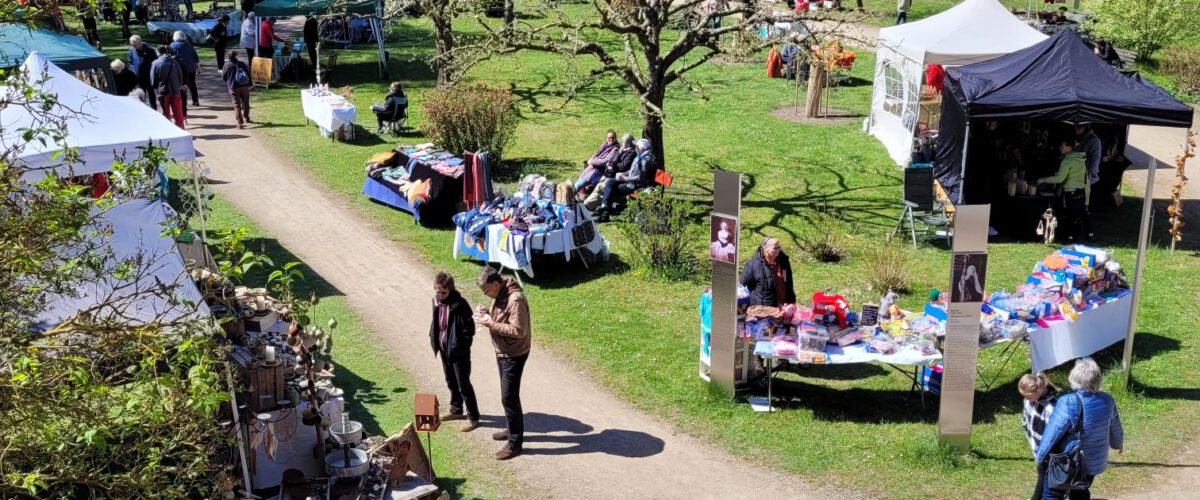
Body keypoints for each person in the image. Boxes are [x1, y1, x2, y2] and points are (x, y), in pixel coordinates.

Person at [1035, 358, 1123, 500]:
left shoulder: (1068, 401)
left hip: (1067, 463)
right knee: (1081, 491)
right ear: (1098, 379)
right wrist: (1118, 444)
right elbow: (1115, 426)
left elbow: (1053, 433)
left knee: (1052, 494)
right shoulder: (1107, 400)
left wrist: (1040, 457)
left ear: (1073, 378)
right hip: (1094, 461)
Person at [476, 267, 531, 461]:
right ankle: (511, 429)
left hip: (514, 354)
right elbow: (501, 314)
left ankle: (515, 443)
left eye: (486, 290)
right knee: (507, 396)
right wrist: (486, 313)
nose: (486, 294)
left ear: (496, 284)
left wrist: (491, 324)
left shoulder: (515, 299)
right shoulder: (501, 294)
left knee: (509, 397)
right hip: (504, 352)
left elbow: (518, 330)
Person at [429, 272, 480, 432]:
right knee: (450, 380)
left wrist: (461, 346)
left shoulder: (460, 304)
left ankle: (473, 417)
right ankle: (456, 409)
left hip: (458, 352)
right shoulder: (436, 301)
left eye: (443, 292)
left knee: (463, 384)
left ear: (450, 290)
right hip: (445, 350)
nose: (440, 295)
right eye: (437, 291)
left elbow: (469, 329)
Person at [1038, 140, 1091, 241]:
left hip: (1071, 191)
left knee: (1070, 214)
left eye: (1062, 146)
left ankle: (1069, 236)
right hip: (1082, 190)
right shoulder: (1080, 159)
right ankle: (1090, 234)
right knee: (1082, 213)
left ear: (1069, 148)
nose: (1060, 148)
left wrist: (1044, 179)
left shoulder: (1067, 161)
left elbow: (1060, 179)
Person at [1020, 373, 1060, 500]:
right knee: (1042, 473)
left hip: (1048, 449)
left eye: (1029, 396)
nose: (1026, 398)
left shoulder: (1051, 408)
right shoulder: (1028, 400)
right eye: (1024, 395)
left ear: (1040, 390)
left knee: (1044, 475)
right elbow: (1026, 419)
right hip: (1037, 446)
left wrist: (1045, 451)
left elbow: (1054, 433)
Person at [596, 138, 656, 219]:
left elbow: (641, 178)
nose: (635, 147)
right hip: (630, 181)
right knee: (610, 181)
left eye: (637, 146)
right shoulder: (640, 156)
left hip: (636, 185)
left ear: (641, 148)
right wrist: (622, 174)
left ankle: (605, 211)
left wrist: (624, 178)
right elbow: (631, 170)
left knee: (613, 188)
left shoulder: (646, 160)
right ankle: (605, 206)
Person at [583, 134, 636, 211]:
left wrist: (612, 165)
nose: (624, 144)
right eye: (623, 142)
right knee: (598, 187)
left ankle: (589, 206)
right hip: (610, 173)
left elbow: (623, 166)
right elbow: (612, 160)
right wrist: (611, 164)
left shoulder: (631, 153)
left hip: (619, 175)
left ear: (630, 143)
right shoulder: (621, 150)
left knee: (602, 188)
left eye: (626, 142)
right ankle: (587, 204)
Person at [740, 237, 796, 307]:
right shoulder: (754, 264)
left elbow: (789, 283)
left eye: (779, 247)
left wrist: (791, 301)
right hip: (763, 309)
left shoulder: (784, 261)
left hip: (783, 306)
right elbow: (743, 284)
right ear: (765, 249)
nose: (778, 250)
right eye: (775, 248)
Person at [151, 45, 185, 128]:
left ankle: (168, 131)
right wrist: (178, 85)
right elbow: (180, 76)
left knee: (166, 113)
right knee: (178, 113)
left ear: (158, 53)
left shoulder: (155, 63)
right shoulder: (174, 62)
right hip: (175, 90)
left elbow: (153, 80)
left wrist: (156, 87)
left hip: (163, 91)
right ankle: (181, 130)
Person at [221, 52, 254, 128]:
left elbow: (224, 77)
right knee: (246, 102)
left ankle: (240, 123)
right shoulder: (241, 63)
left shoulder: (227, 65)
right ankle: (247, 117)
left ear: (229, 58)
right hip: (244, 86)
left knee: (237, 104)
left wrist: (229, 81)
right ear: (236, 56)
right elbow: (247, 73)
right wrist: (250, 83)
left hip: (234, 87)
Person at [170, 31, 200, 107]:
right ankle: (195, 101)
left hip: (179, 69)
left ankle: (184, 103)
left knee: (181, 86)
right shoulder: (189, 45)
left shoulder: (172, 46)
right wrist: (198, 68)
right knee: (192, 84)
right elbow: (195, 57)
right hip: (190, 68)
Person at [127, 35, 157, 110]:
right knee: (140, 96)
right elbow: (130, 62)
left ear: (139, 43)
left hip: (149, 77)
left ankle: (154, 109)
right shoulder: (131, 51)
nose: (133, 46)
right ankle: (143, 110)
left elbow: (155, 62)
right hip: (139, 78)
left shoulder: (150, 50)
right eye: (132, 45)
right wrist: (133, 70)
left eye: (134, 45)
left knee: (151, 94)